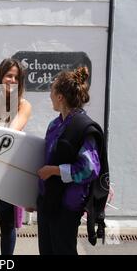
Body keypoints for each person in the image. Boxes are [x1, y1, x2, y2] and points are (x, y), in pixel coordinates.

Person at [36, 66, 104, 255]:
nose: (49, 95)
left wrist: (54, 171)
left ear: (60, 97)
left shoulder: (82, 127)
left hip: (67, 205)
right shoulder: (55, 125)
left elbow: (89, 169)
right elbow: (45, 160)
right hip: (48, 202)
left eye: (51, 90)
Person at [0, 58, 32, 255]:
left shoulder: (23, 105)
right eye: (8, 75)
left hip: (8, 172)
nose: (12, 80)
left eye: (16, 77)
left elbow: (11, 133)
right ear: (0, 77)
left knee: (7, 223)